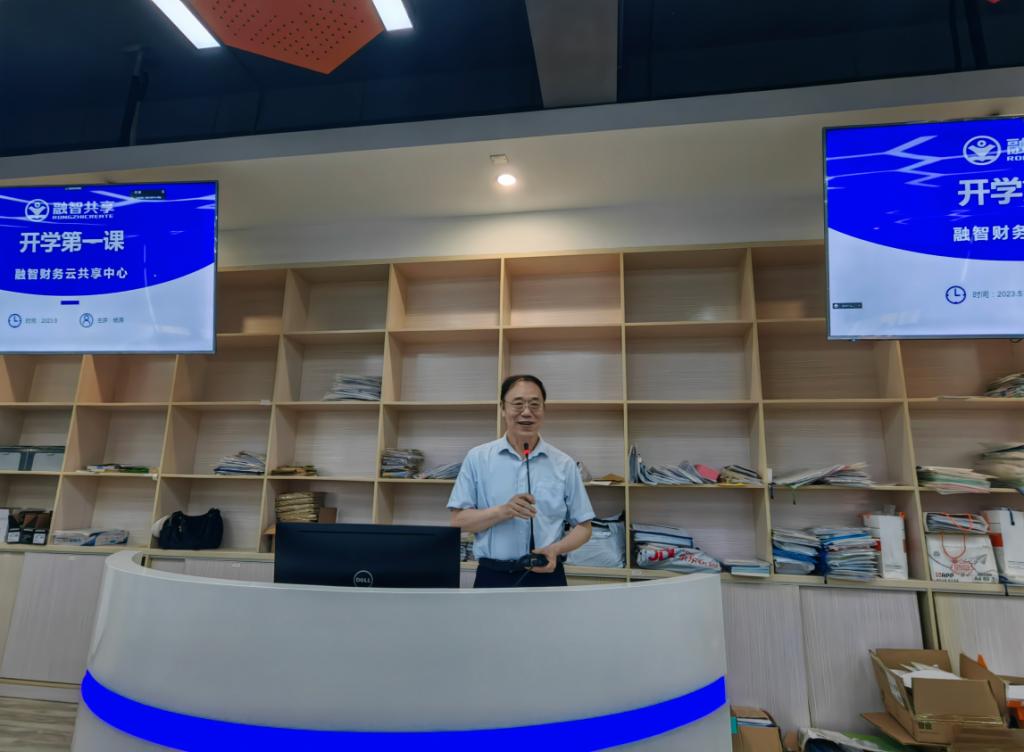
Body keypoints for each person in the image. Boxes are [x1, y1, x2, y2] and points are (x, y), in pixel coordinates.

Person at [448, 374, 594, 588]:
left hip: (547, 575)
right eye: (518, 404)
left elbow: (584, 527)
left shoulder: (564, 463)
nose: (527, 412)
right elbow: (458, 522)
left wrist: (556, 549)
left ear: (544, 410)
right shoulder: (477, 458)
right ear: (502, 408)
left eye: (535, 404)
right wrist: (503, 511)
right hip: (493, 576)